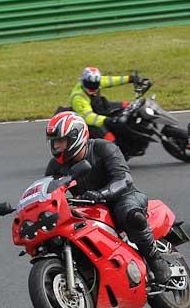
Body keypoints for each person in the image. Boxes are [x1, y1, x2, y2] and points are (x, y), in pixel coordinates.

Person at [44, 111, 172, 283]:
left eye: (60, 141)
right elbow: (47, 190)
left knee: (130, 214)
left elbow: (124, 179)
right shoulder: (55, 166)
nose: (57, 147)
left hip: (123, 197)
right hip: (88, 206)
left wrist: (101, 194)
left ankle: (155, 260)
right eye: (54, 142)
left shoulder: (103, 148)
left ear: (76, 136)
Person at [69, 66, 145, 139]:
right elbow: (89, 117)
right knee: (110, 139)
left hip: (99, 109)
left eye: (95, 85)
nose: (92, 89)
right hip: (88, 124)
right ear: (82, 81)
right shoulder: (78, 97)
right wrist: (107, 120)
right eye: (89, 85)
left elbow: (110, 80)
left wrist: (130, 78)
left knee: (128, 106)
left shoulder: (95, 81)